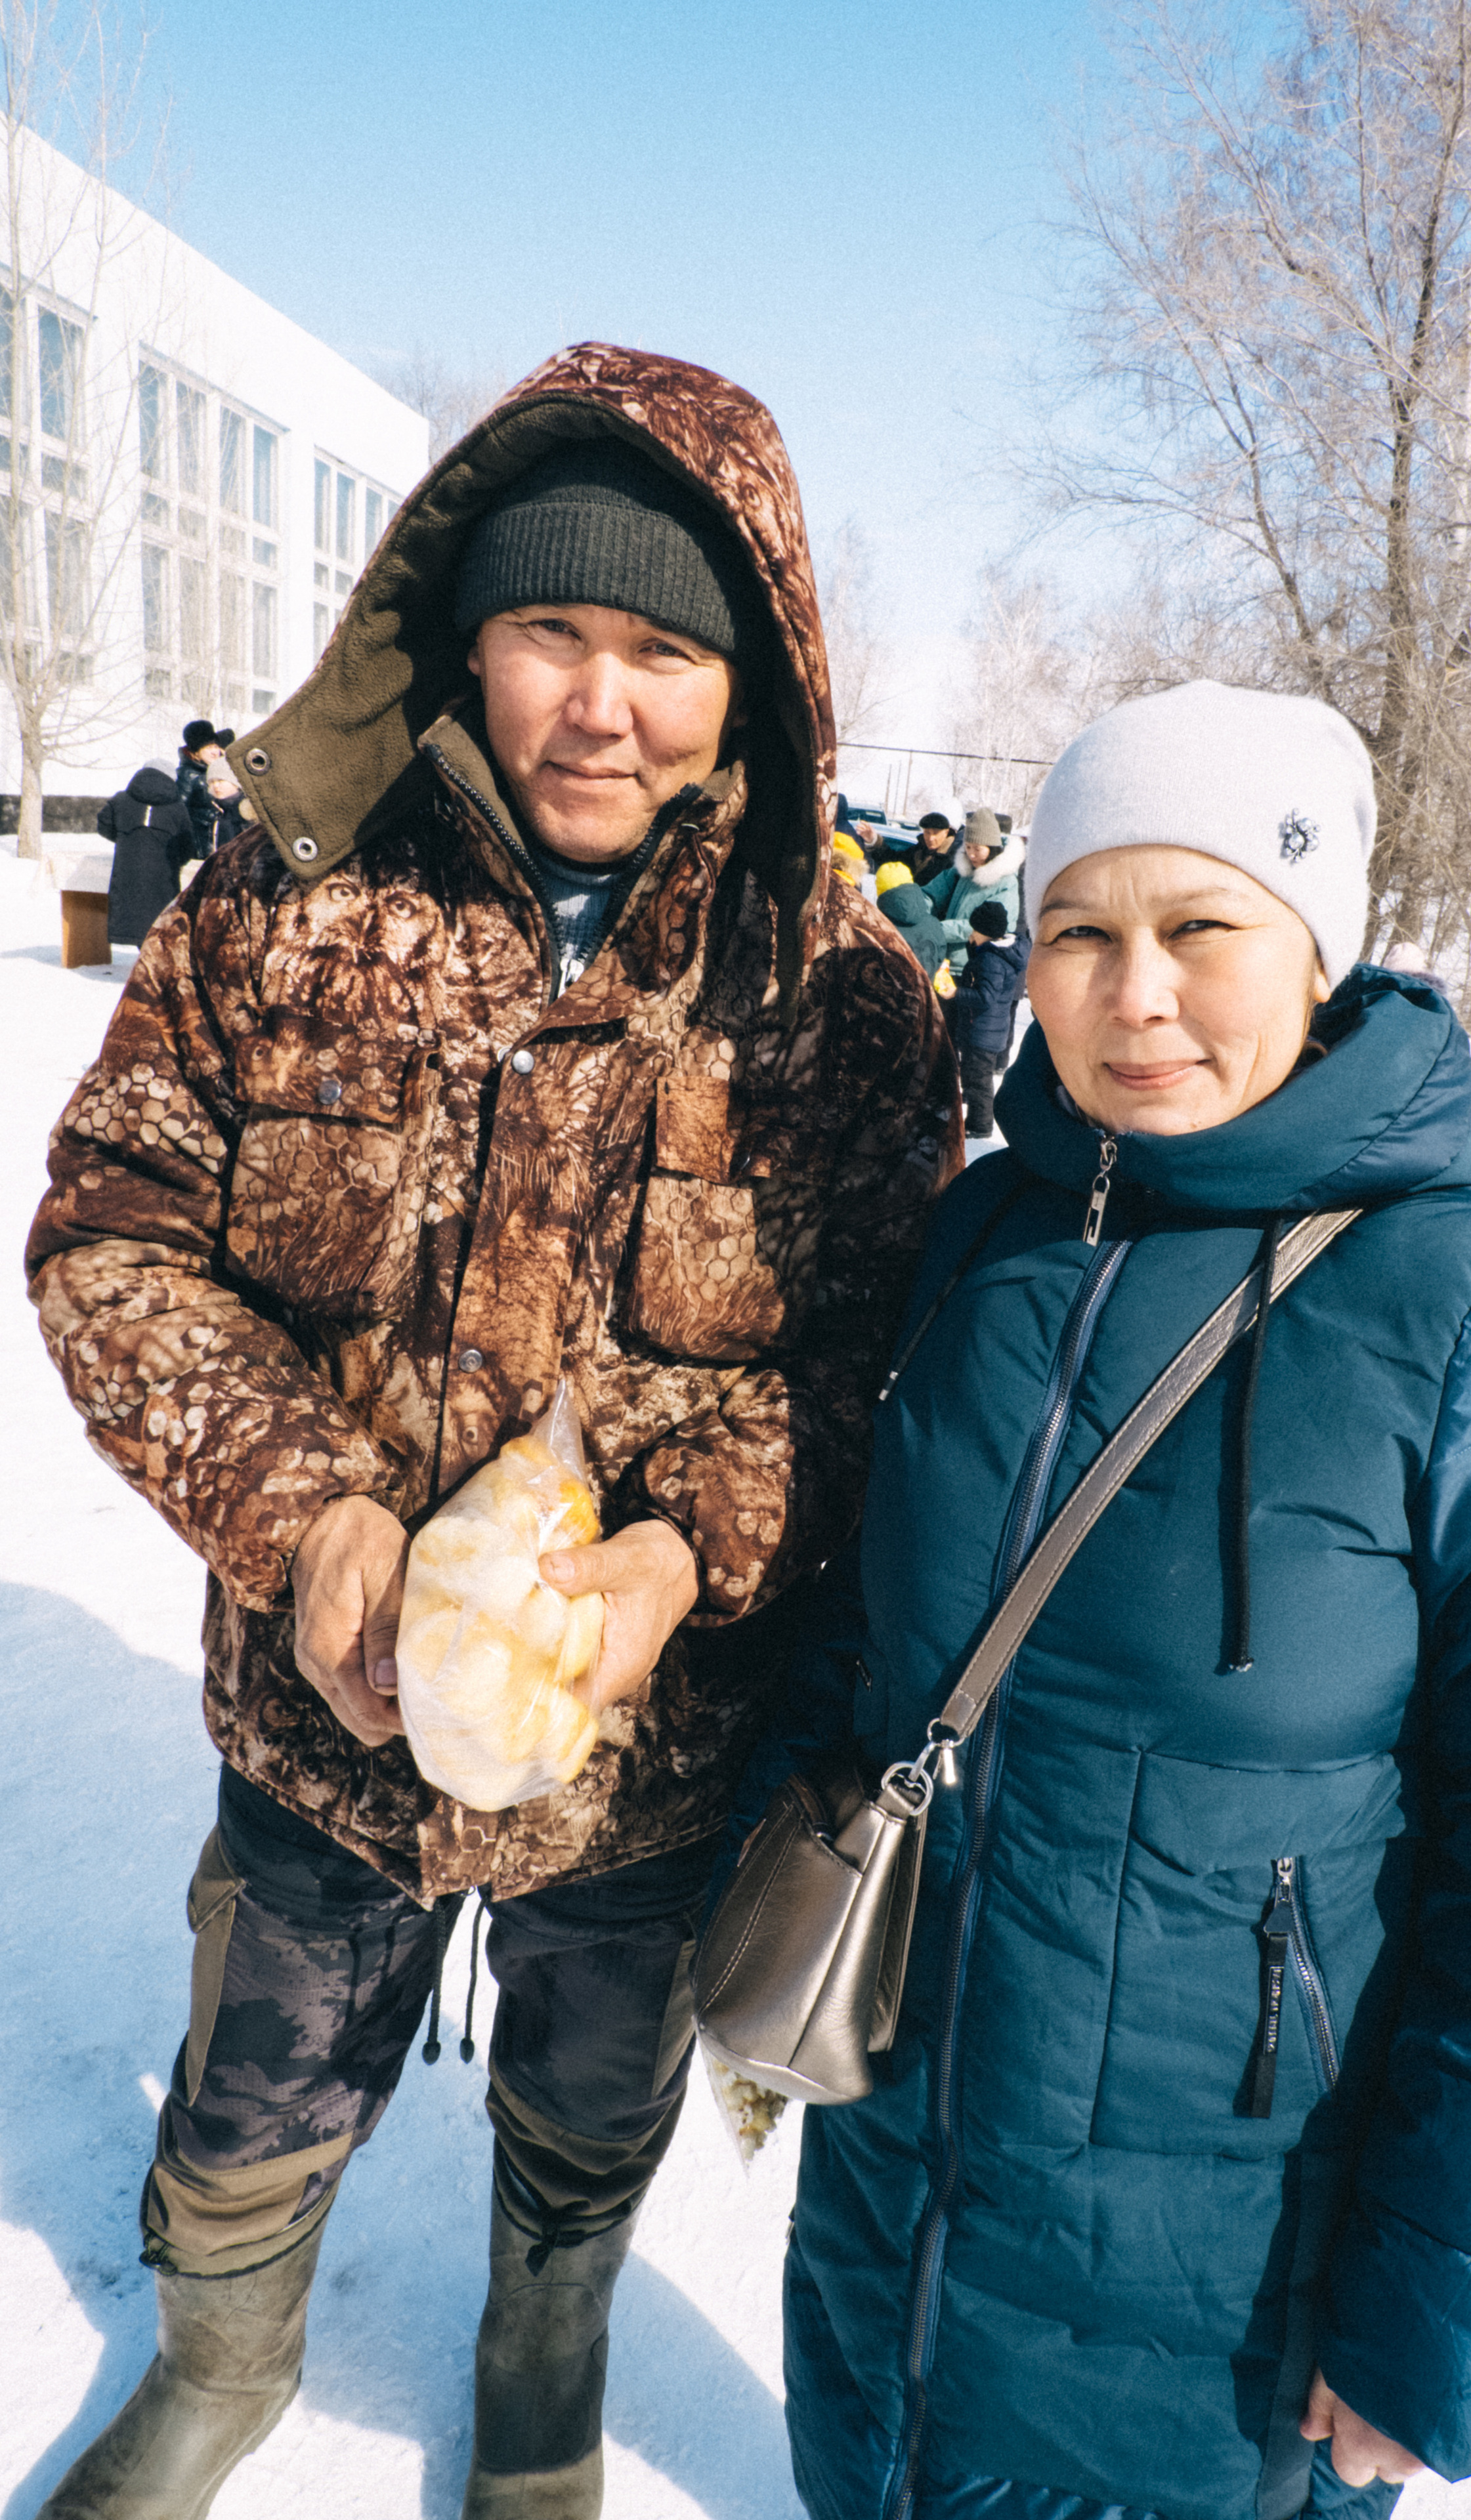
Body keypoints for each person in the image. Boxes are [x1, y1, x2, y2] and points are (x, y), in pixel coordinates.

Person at [26, 342, 959, 2520]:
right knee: (251, 2086)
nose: (600, 700)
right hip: (313, 1723)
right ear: (467, 634)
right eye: (554, 628)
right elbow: (112, 1236)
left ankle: (547, 2360)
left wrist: (680, 1555)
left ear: (752, 683)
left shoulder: (835, 990)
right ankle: (217, 2365)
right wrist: (311, 1524)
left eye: (662, 648)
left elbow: (874, 1369)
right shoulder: (281, 894)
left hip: (643, 1761)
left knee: (588, 2102)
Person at [756, 679, 1471, 2520]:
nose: (1132, 991)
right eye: (1080, 931)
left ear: (1319, 944)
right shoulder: (989, 1233)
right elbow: (869, 1639)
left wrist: (1442, 2316)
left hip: (1231, 2288)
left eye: (1200, 928)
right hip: (901, 2205)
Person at [945, 895, 1028, 1137]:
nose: (972, 934)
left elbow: (985, 997)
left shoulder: (992, 960)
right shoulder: (992, 954)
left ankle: (980, 1125)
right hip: (985, 1030)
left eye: (976, 931)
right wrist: (975, 947)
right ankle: (974, 1112)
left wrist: (955, 993)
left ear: (988, 933)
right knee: (973, 1075)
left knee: (979, 1080)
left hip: (982, 1032)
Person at [98, 757, 197, 948]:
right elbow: (187, 845)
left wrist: (126, 842)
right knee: (161, 922)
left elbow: (104, 825)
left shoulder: (120, 800)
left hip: (128, 873)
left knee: (133, 918)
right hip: (163, 878)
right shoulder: (177, 807)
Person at [924, 804, 1023, 975]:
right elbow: (929, 894)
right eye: (968, 847)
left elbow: (985, 927)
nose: (971, 854)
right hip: (944, 961)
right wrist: (913, 910)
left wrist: (935, 929)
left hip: (975, 967)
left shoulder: (1006, 882)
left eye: (977, 849)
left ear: (991, 847)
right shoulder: (960, 872)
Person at [875, 875, 950, 981]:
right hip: (926, 991)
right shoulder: (933, 922)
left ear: (881, 893)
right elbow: (941, 954)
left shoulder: (880, 927)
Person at [174, 719, 221, 856]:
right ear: (196, 753)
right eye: (208, 748)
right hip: (199, 846)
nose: (214, 752)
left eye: (216, 747)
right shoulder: (188, 774)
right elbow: (179, 810)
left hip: (215, 841)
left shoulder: (216, 772)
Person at [910, 808, 959, 889]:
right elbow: (896, 858)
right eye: (927, 832)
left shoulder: (952, 861)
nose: (930, 838)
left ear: (946, 833)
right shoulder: (919, 850)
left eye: (935, 833)